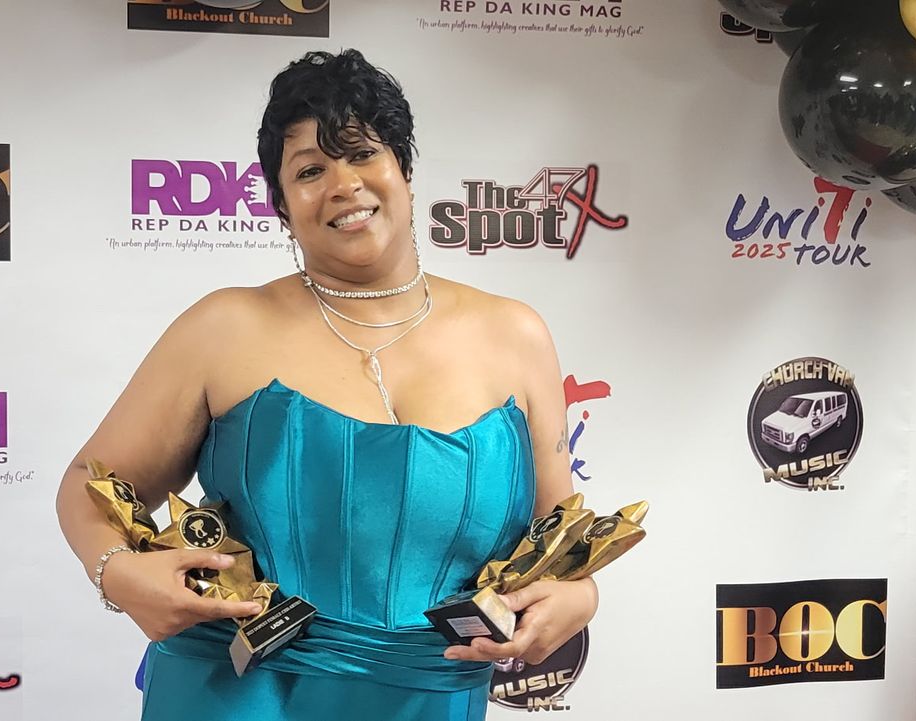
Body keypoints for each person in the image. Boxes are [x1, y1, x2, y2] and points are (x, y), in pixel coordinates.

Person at [55, 49, 598, 720]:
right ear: (282, 206)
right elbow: (88, 482)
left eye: (363, 154)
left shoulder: (517, 334)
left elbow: (558, 538)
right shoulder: (223, 327)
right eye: (311, 170)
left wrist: (581, 595)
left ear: (404, 171)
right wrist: (114, 570)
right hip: (237, 694)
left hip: (430, 699)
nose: (343, 184)